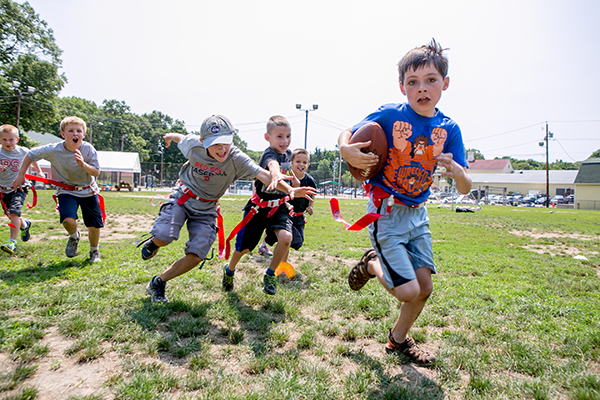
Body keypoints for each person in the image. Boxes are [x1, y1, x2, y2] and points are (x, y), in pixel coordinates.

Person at [338, 39, 472, 365]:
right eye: (413, 82)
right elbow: (348, 132)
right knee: (408, 291)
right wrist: (344, 149)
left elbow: (466, 187)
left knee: (424, 288)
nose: (421, 88)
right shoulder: (388, 115)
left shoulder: (449, 129)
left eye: (430, 80)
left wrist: (457, 172)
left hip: (418, 215)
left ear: (445, 83)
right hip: (386, 212)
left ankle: (397, 341)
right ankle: (372, 263)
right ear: (402, 87)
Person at [141, 115, 315, 303]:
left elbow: (264, 175)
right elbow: (179, 137)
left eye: (226, 142)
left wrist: (289, 190)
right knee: (164, 236)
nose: (222, 149)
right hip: (182, 198)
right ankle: (155, 242)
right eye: (215, 143)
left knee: (197, 255)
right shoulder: (193, 145)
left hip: (207, 208)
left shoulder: (236, 158)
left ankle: (158, 282)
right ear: (203, 142)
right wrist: (169, 137)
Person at [225, 115, 299, 296]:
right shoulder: (269, 154)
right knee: (244, 248)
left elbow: (287, 170)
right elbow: (272, 165)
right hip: (258, 208)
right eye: (279, 136)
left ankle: (270, 274)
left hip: (279, 207)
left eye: (288, 136)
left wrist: (294, 181)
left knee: (286, 238)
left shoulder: (289, 154)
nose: (285, 141)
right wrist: (275, 174)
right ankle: (229, 270)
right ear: (268, 137)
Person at [12, 116, 104, 262]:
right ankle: (74, 237)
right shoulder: (53, 149)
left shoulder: (88, 149)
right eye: (71, 131)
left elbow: (96, 172)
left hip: (88, 190)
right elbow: (30, 154)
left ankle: (94, 251)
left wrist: (82, 164)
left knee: (93, 226)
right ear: (63, 134)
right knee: (67, 220)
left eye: (79, 131)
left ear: (83, 134)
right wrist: (21, 174)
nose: (75, 134)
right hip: (66, 190)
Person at [0, 124, 43, 254]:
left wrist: (39, 171)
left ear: (17, 139)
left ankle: (12, 242)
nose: (8, 142)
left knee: (14, 212)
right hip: (2, 189)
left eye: (11, 139)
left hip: (19, 187)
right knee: (11, 214)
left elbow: (33, 159)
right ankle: (25, 225)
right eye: (4, 139)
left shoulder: (22, 151)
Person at [285, 148, 316, 255]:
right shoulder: (287, 178)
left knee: (298, 243)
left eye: (304, 162)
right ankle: (278, 244)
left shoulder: (310, 181)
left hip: (299, 216)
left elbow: (312, 194)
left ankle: (278, 240)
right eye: (298, 161)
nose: (301, 165)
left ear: (308, 165)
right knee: (291, 239)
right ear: (291, 163)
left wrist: (310, 206)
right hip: (286, 214)